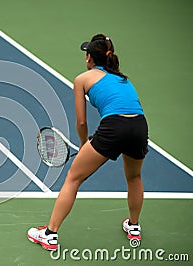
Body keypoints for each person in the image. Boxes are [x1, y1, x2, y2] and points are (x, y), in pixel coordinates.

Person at [27, 34, 148, 251]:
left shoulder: (82, 79)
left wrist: (84, 143)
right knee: (134, 176)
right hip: (139, 126)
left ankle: (50, 235)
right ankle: (134, 226)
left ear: (89, 57)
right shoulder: (123, 79)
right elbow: (125, 109)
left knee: (73, 177)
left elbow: (81, 121)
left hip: (113, 127)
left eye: (86, 53)